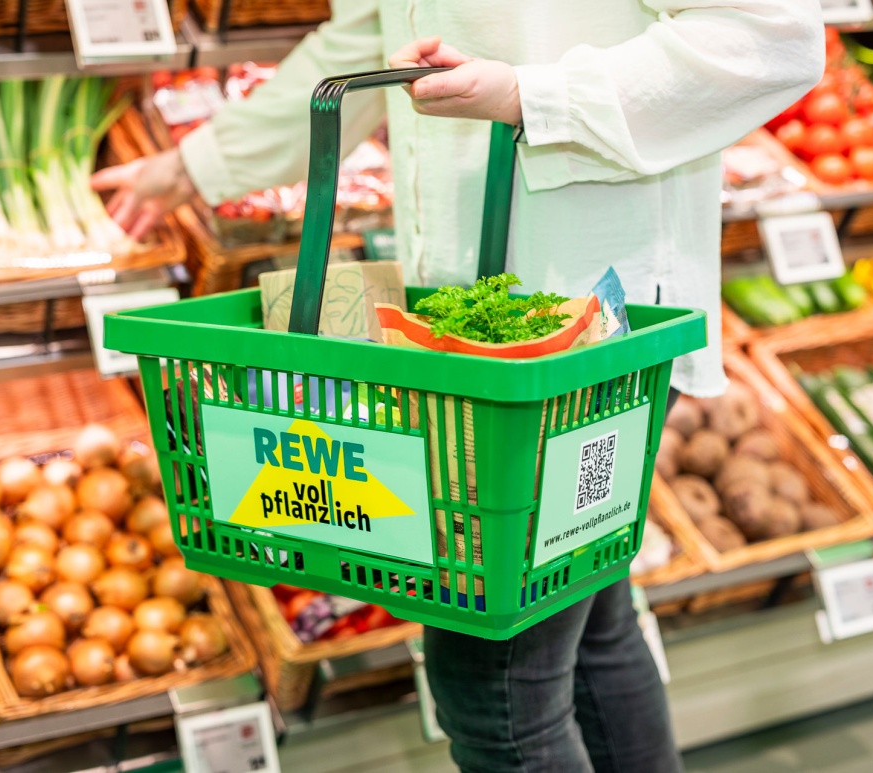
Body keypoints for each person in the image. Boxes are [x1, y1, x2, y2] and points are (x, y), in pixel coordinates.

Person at [93, 2, 824, 770]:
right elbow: (367, 31)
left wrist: (532, 98)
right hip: (482, 331)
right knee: (589, 626)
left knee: (498, 687)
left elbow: (770, 34)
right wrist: (192, 167)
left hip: (583, 329)